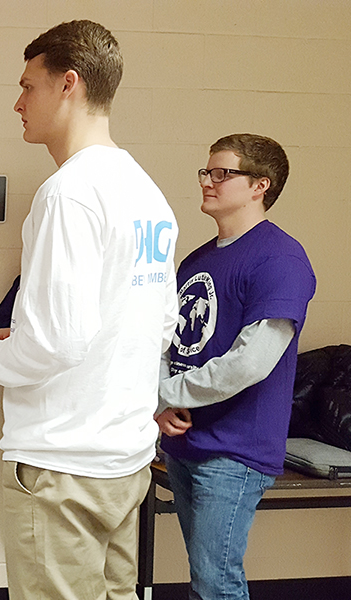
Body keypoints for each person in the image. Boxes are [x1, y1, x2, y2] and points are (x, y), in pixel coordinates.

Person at [0, 20, 179, 600]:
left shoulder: (69, 193)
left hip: (63, 466)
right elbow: (161, 324)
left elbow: (57, 341)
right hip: (124, 463)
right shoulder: (148, 195)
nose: (18, 103)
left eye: (27, 86)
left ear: (69, 84)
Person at [155, 134, 315, 600]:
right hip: (185, 442)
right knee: (206, 578)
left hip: (235, 452)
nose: (208, 181)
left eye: (222, 173)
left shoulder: (281, 258)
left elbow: (250, 362)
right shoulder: (197, 260)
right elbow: (170, 343)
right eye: (206, 172)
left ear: (259, 185)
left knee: (215, 583)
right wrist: (162, 402)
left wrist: (165, 395)